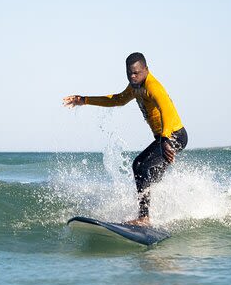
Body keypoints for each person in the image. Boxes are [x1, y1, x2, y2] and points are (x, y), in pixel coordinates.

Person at [63, 52, 187, 226]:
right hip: (164, 138)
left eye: (136, 73)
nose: (133, 77)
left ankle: (144, 218)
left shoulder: (153, 87)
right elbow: (118, 100)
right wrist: (84, 100)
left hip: (173, 136)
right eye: (129, 74)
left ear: (146, 70)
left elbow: (166, 111)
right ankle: (157, 215)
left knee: (140, 166)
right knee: (147, 174)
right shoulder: (135, 87)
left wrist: (166, 140)